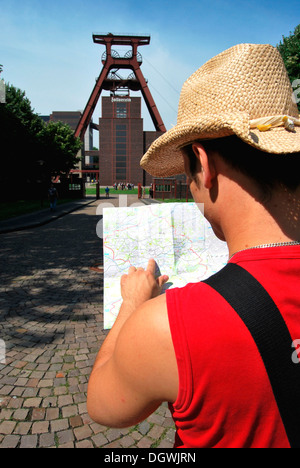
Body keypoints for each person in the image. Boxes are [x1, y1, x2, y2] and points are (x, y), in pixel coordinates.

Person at [87, 44, 300, 448]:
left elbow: (102, 405)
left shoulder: (164, 325)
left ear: (204, 164)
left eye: (187, 173)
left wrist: (133, 305)